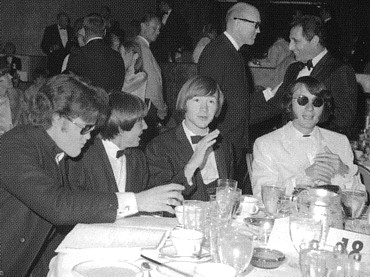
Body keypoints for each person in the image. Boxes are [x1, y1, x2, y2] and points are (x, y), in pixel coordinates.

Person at [0, 74, 183, 276]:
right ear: (57, 117)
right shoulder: (14, 146)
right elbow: (57, 205)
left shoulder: (56, 150)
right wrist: (137, 201)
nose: (89, 137)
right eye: (85, 128)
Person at [252, 76, 364, 199]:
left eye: (317, 102)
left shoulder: (340, 142)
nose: (310, 108)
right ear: (290, 103)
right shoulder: (267, 144)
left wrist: (345, 170)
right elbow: (262, 198)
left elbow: (359, 199)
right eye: (302, 100)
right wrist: (305, 177)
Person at [252, 15, 358, 139]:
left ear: (314, 41)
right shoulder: (293, 69)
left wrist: (307, 131)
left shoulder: (340, 70)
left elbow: (345, 118)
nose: (290, 47)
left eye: (295, 41)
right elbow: (275, 104)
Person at [68, 92, 181, 200]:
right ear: (121, 127)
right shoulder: (83, 157)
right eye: (140, 121)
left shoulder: (138, 158)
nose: (145, 126)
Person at [198, 3, 261, 193]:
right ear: (237, 22)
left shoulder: (232, 53)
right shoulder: (218, 52)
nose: (259, 31)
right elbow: (205, 103)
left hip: (232, 143)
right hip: (221, 145)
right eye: (255, 25)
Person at [145, 75, 234, 201]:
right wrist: (191, 166)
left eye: (211, 101)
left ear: (218, 107)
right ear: (184, 103)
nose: (204, 109)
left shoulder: (224, 145)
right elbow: (161, 201)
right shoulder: (159, 146)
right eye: (197, 100)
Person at [67, 13, 125, 93]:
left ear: (83, 31)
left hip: (87, 104)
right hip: (110, 104)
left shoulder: (78, 54)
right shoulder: (116, 55)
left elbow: (70, 86)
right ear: (104, 32)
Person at [136, 13, 168, 144]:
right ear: (143, 26)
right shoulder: (143, 48)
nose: (158, 32)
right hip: (147, 106)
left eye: (159, 29)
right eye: (154, 28)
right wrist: (161, 107)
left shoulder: (135, 44)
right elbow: (152, 84)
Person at [41, 12, 74, 76]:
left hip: (68, 64)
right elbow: (43, 45)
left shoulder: (71, 30)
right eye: (63, 21)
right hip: (54, 63)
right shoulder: (50, 29)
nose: (66, 23)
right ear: (58, 21)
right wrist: (51, 48)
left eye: (66, 20)